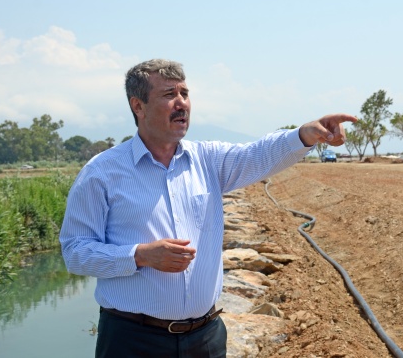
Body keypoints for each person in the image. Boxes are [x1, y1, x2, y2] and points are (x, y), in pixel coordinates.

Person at [59, 59, 357, 358]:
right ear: (138, 106)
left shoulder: (208, 160)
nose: (182, 103)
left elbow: (259, 155)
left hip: (205, 339)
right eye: (169, 94)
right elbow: (75, 252)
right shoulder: (102, 172)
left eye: (185, 94)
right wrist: (140, 256)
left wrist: (304, 134)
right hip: (133, 340)